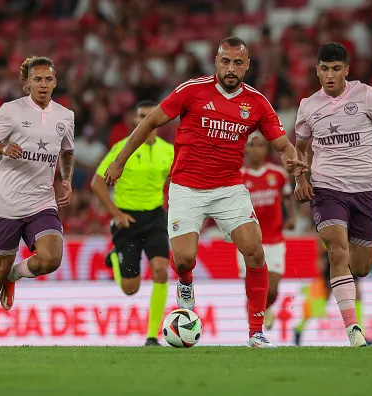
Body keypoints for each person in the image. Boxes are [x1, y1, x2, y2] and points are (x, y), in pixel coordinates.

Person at [104, 36, 308, 348]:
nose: (231, 68)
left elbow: (282, 145)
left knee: (254, 250)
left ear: (247, 66)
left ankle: (256, 332)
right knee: (184, 259)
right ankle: (185, 283)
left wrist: (293, 162)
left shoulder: (256, 103)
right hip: (187, 187)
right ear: (216, 61)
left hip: (228, 187)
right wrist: (120, 161)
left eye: (238, 63)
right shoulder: (191, 90)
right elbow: (149, 124)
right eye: (225, 61)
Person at [293, 43, 372, 347]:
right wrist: (301, 177)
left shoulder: (366, 95)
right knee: (337, 250)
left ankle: (317, 296)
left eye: (336, 69)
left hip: (365, 191)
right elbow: (299, 147)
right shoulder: (308, 106)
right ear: (317, 71)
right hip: (327, 189)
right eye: (324, 69)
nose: (330, 75)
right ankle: (353, 331)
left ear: (346, 70)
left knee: (360, 268)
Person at [0, 56, 75, 347]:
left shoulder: (65, 116)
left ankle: (14, 276)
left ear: (55, 82)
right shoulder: (10, 111)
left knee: (51, 258)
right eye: (37, 79)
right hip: (8, 201)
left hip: (42, 199)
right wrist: (3, 146)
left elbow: (66, 152)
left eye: (48, 79)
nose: (43, 84)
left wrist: (65, 179)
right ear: (26, 82)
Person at [91, 100, 173, 347]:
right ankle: (115, 258)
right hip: (127, 219)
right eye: (141, 116)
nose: (146, 120)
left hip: (156, 216)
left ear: (159, 121)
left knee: (160, 271)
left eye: (151, 116)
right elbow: (97, 183)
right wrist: (115, 213)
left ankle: (152, 336)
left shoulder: (168, 151)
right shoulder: (121, 148)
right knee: (130, 289)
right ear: (135, 121)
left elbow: (180, 179)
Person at [237, 131, 295, 330]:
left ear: (266, 149)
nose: (255, 150)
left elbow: (287, 197)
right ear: (245, 149)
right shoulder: (238, 177)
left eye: (260, 145)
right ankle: (255, 331)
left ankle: (265, 309)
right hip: (247, 242)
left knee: (272, 292)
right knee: (253, 290)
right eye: (251, 145)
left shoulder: (277, 174)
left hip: (274, 239)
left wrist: (291, 217)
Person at [293, 241, 372, 345]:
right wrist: (321, 256)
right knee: (322, 300)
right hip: (334, 255)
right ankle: (299, 328)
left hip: (348, 255)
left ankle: (360, 333)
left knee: (357, 295)